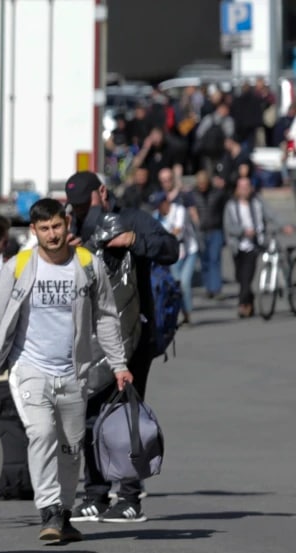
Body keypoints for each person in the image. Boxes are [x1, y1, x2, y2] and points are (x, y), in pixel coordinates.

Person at [0, 198, 131, 543]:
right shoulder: (19, 266)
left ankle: (64, 512)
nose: (52, 234)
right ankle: (48, 510)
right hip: (29, 368)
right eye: (44, 228)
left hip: (73, 372)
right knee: (41, 433)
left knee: (71, 447)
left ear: (66, 225)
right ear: (34, 231)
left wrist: (119, 364)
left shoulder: (87, 265)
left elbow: (106, 317)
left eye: (57, 226)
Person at [64, 171, 178, 524]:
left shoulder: (132, 219)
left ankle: (130, 497)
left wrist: (134, 240)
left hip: (133, 335)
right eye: (77, 205)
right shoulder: (74, 226)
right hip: (88, 337)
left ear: (102, 192)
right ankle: (96, 494)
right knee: (88, 415)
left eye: (86, 203)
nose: (82, 210)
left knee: (126, 412)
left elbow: (171, 249)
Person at [222, 176, 276, 319]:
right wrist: (243, 231)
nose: (245, 190)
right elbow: (228, 227)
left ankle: (242, 305)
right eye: (242, 187)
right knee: (240, 277)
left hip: (254, 246)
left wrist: (285, 226)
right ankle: (249, 301)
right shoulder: (231, 205)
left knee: (247, 277)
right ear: (237, 189)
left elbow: (271, 215)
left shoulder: (257, 202)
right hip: (238, 246)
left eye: (247, 187)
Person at [153, 192, 197, 325]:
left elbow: (178, 231)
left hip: (189, 251)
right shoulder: (156, 216)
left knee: (184, 282)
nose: (158, 208)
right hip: (173, 255)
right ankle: (179, 312)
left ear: (165, 202)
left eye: (159, 205)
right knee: (176, 283)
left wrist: (162, 238)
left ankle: (187, 313)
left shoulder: (179, 210)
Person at [190, 171, 229, 299]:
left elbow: (226, 204)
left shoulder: (217, 193)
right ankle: (208, 287)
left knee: (215, 259)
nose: (202, 186)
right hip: (200, 231)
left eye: (204, 183)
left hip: (215, 229)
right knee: (204, 261)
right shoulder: (193, 194)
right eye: (200, 184)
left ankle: (216, 288)